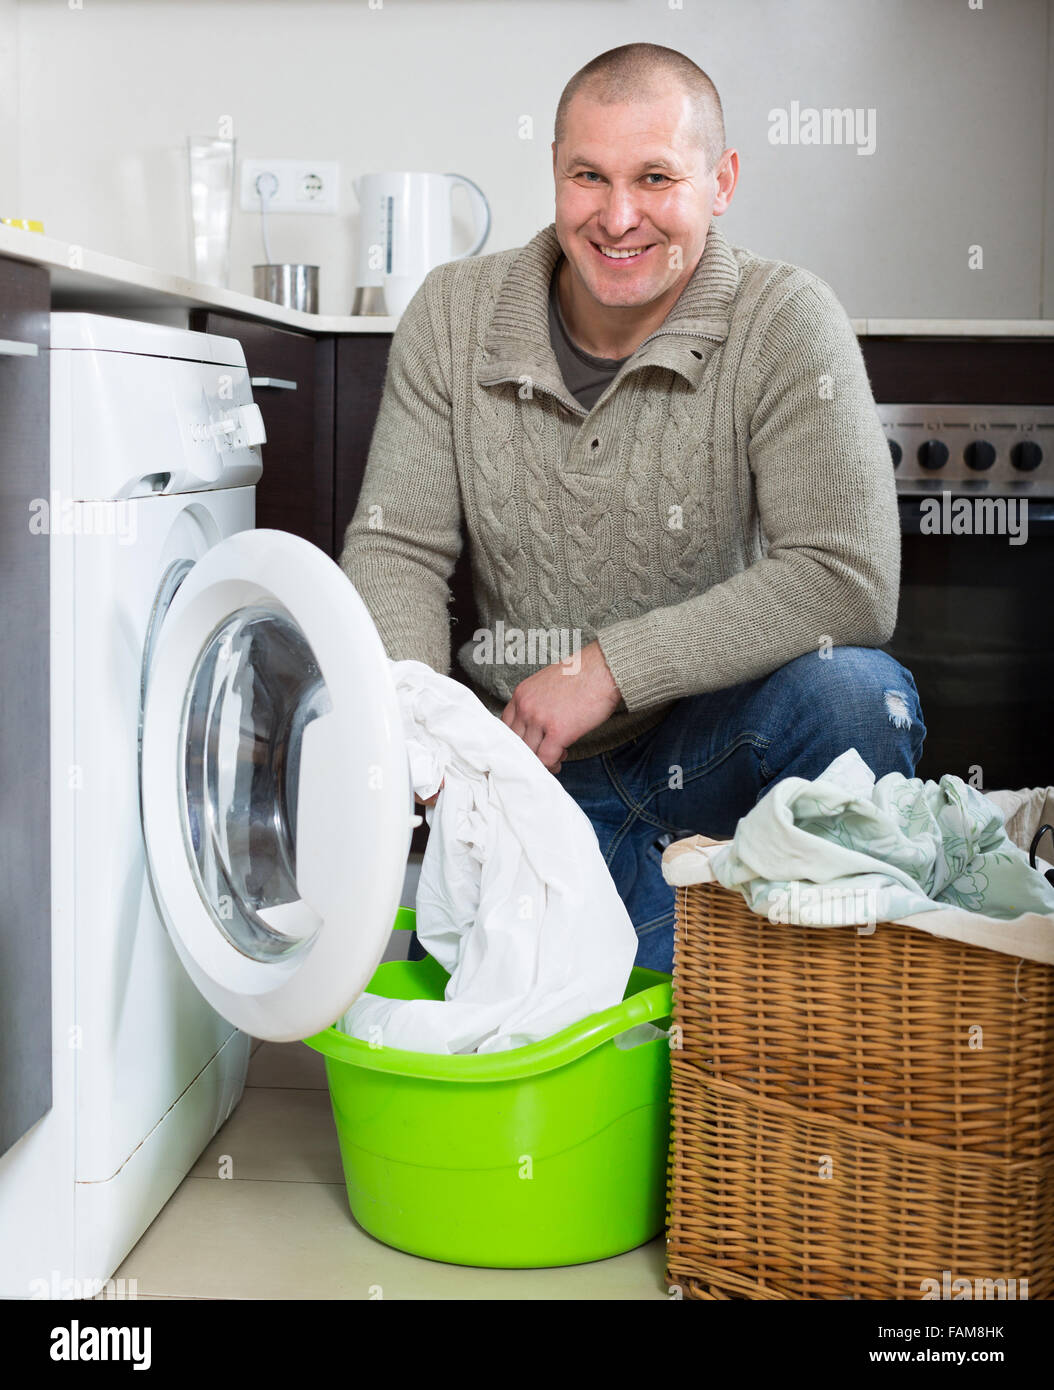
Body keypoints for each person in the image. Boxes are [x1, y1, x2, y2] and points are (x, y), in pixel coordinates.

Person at [340, 42, 924, 975]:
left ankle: (823, 1002)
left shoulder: (785, 320)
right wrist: (429, 733)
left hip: (716, 755)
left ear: (722, 180)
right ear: (556, 174)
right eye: (588, 176)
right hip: (529, 775)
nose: (617, 217)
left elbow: (848, 577)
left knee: (858, 691)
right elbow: (396, 550)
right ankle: (696, 962)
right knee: (566, 1009)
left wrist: (611, 667)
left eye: (656, 177)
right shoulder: (451, 315)